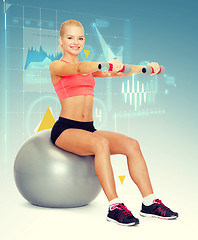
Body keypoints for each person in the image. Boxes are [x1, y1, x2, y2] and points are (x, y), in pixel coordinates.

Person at [49, 19, 178, 227]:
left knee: (132, 144)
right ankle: (114, 206)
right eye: (70, 37)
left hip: (88, 129)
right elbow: (80, 66)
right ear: (61, 41)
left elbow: (119, 71)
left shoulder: (91, 70)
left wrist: (146, 68)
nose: (76, 42)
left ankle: (149, 202)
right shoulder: (56, 66)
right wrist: (103, 64)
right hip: (66, 129)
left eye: (80, 38)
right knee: (101, 144)